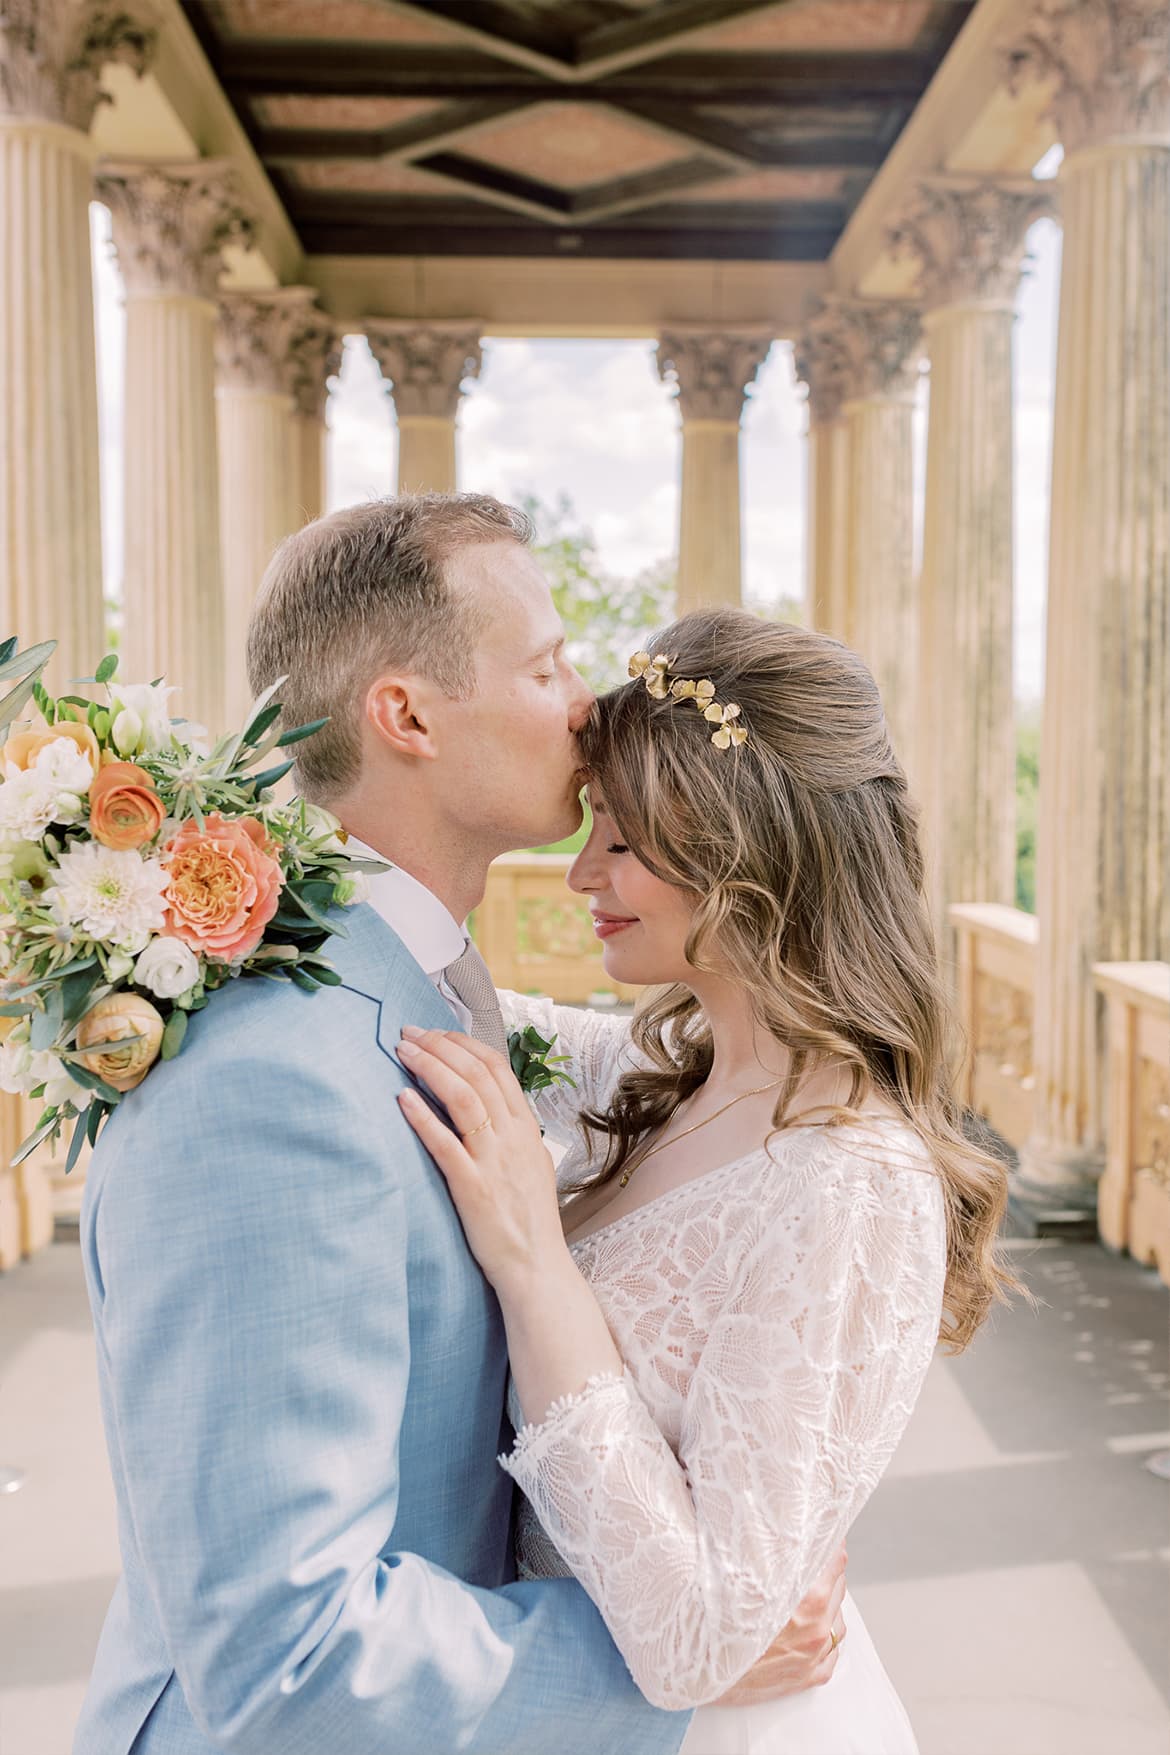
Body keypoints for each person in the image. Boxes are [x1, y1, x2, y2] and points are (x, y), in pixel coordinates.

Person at [75, 497, 843, 1755]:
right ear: (408, 716)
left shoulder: (412, 996)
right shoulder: (274, 1081)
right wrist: (686, 1655)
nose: (589, 704)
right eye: (546, 666)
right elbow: (287, 1658)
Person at [397, 607, 1014, 1754]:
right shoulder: (653, 1077)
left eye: (623, 841)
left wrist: (536, 1267)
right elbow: (426, 988)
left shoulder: (851, 1184)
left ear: (748, 854)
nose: (581, 871)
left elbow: (698, 1644)